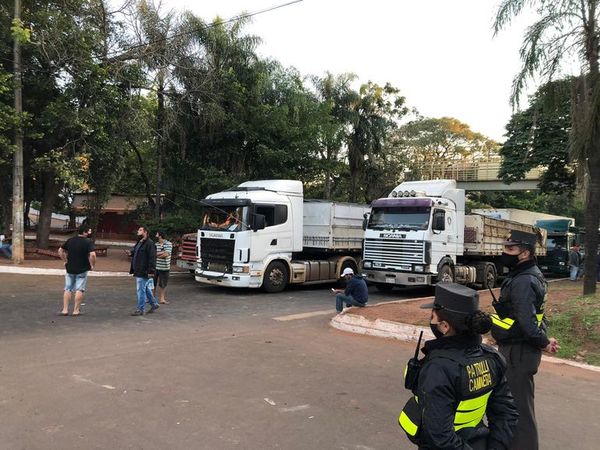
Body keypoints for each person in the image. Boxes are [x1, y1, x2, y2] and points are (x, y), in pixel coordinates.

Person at [398, 283, 518, 450]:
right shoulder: (492, 357)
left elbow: (440, 436)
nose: (431, 320)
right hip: (478, 442)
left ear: (445, 326)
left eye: (432, 316)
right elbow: (506, 414)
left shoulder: (439, 368)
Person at [490, 229, 560, 450]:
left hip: (518, 352)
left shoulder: (523, 281)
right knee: (514, 405)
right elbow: (538, 315)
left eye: (510, 249)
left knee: (518, 409)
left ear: (525, 253)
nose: (504, 252)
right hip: (517, 349)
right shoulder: (529, 275)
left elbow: (528, 323)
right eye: (505, 247)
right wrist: (544, 339)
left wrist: (544, 342)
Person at [58, 225, 96, 316]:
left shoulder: (70, 240)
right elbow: (93, 255)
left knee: (67, 288)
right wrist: (92, 265)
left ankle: (65, 309)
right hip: (82, 268)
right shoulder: (88, 242)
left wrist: (65, 261)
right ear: (84, 232)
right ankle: (76, 310)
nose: (89, 233)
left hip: (70, 267)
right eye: (88, 231)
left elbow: (60, 250)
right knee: (80, 289)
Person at [128, 226, 159, 316]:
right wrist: (131, 253)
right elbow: (135, 251)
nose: (138, 231)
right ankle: (154, 304)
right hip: (138, 269)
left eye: (140, 230)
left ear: (145, 232)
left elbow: (152, 257)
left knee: (140, 290)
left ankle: (141, 309)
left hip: (143, 270)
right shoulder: (139, 241)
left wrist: (150, 270)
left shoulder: (150, 243)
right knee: (144, 288)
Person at [154, 230, 173, 304]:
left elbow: (166, 254)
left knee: (163, 284)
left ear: (160, 236)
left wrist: (157, 255)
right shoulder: (156, 244)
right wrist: (162, 253)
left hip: (165, 267)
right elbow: (153, 254)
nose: (156, 235)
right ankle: (151, 298)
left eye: (157, 233)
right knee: (153, 283)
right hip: (155, 266)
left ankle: (162, 299)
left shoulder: (168, 244)